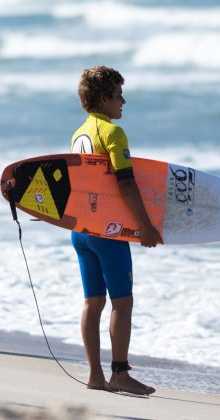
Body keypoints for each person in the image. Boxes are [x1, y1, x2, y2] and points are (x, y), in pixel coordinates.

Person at [70, 66, 163, 395]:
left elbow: (80, 187)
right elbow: (125, 183)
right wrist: (145, 227)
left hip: (81, 231)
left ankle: (95, 375)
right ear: (103, 98)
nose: (123, 100)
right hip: (108, 233)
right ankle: (119, 373)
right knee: (122, 303)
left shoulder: (79, 133)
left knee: (91, 303)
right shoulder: (113, 133)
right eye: (118, 95)